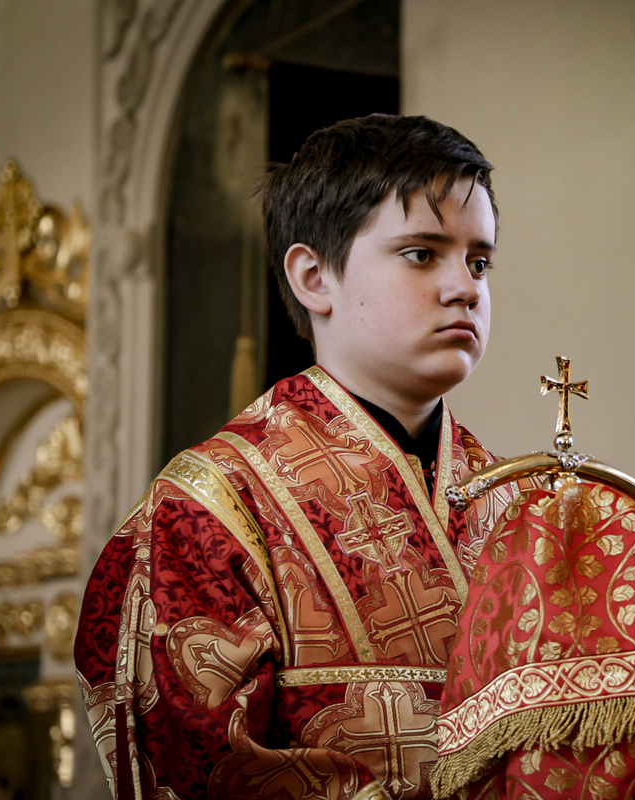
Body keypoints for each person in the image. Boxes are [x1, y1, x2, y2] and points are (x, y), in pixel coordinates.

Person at [75, 115, 522, 800]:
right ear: (314, 277)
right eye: (422, 254)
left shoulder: (523, 502)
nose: (465, 287)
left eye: (479, 261)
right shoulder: (208, 512)